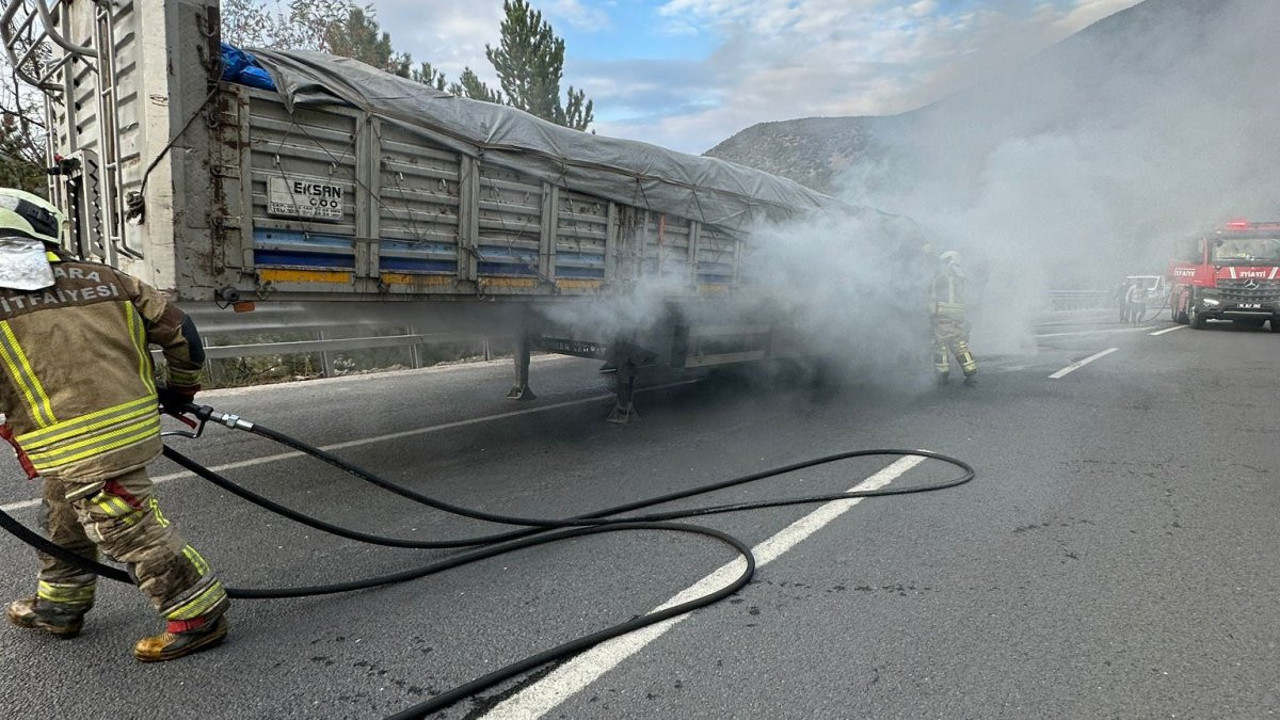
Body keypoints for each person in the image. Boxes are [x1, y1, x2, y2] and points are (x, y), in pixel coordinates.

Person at [0, 189, 229, 661]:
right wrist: (181, 391)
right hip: (113, 431)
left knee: (130, 530)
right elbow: (182, 334)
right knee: (62, 517)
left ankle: (199, 615)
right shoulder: (108, 277)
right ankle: (59, 606)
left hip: (77, 440)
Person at [932, 250, 978, 387]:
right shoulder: (961, 276)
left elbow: (933, 296)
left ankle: (942, 376)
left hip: (942, 316)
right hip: (958, 317)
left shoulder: (942, 276)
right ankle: (971, 373)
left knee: (941, 346)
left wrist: (930, 312)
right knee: (959, 345)